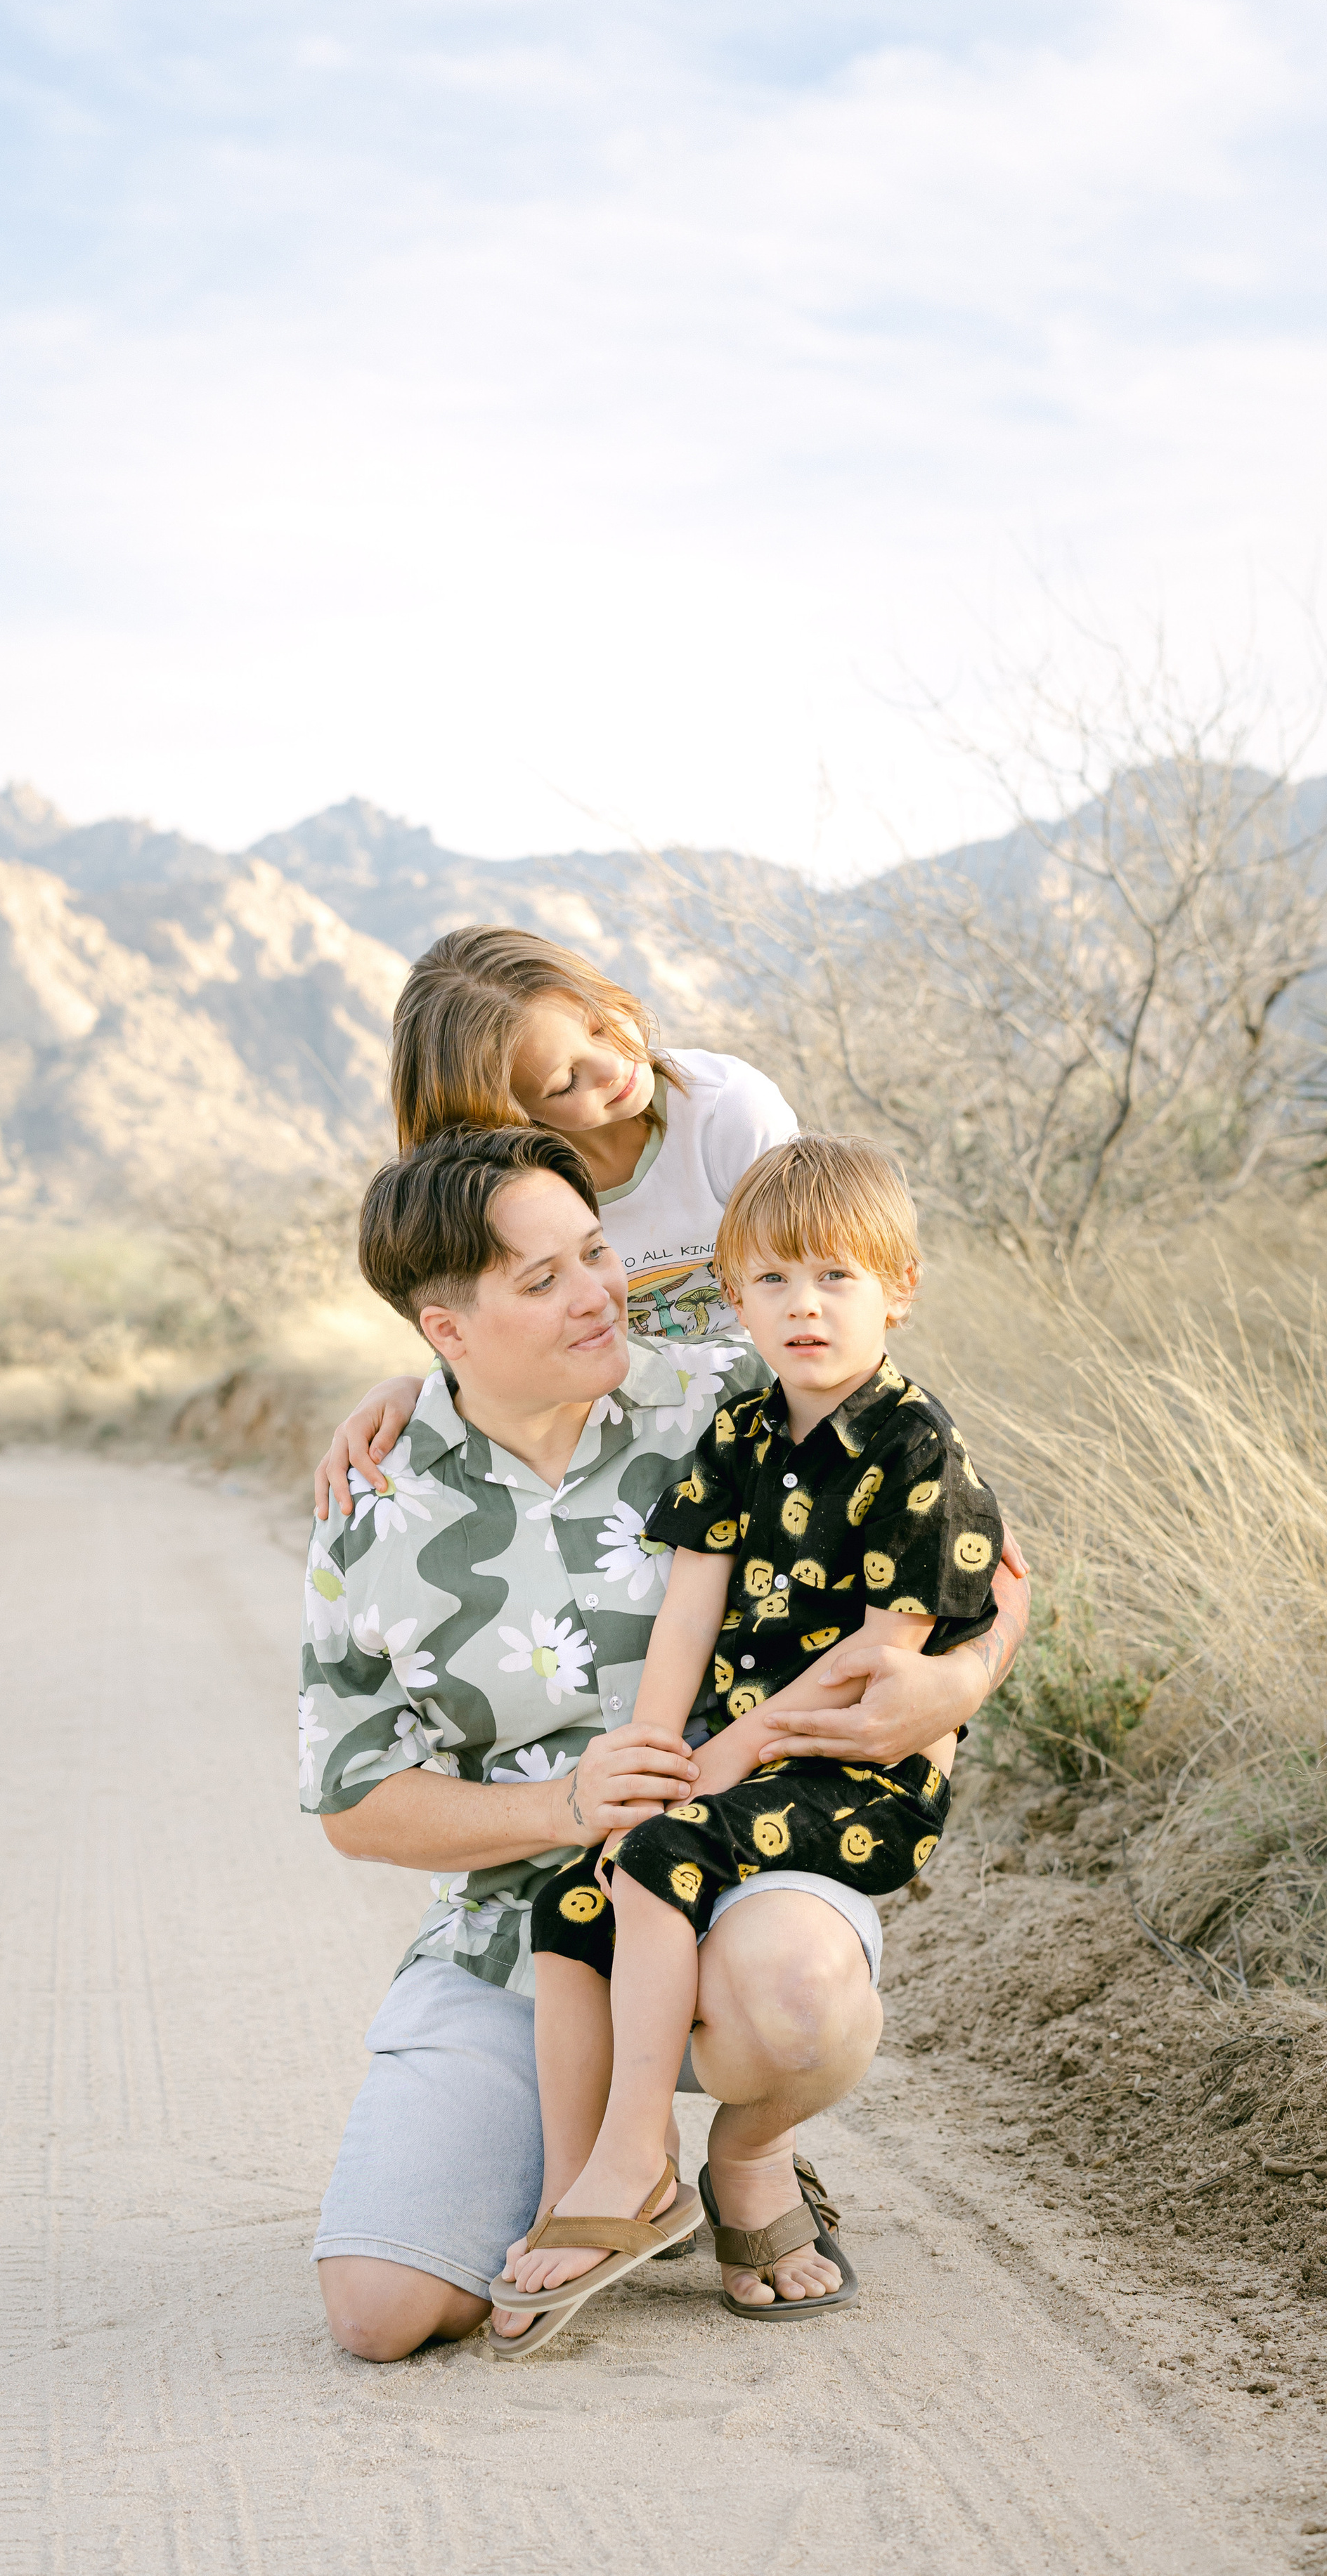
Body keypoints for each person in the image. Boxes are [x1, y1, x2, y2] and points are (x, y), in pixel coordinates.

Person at [300, 1122, 1031, 2360]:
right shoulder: (378, 1511)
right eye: (546, 1281)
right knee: (379, 2317)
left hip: (750, 1876)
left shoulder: (721, 1393)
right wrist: (560, 1811)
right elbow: (356, 1804)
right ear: (446, 1333)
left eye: (595, 1252)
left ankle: (750, 2159)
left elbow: (989, 1558)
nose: (601, 1293)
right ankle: (593, 2182)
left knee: (797, 2000)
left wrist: (955, 1680)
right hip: (517, 1933)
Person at [493, 1136, 1002, 2350]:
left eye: (835, 1278)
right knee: (579, 1897)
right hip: (738, 1767)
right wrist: (649, 1759)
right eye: (771, 1282)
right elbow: (689, 1613)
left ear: (901, 1288)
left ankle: (639, 2158)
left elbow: (887, 1651)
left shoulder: (914, 1445)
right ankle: (584, 2187)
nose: (804, 1307)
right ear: (734, 1301)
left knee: (664, 1857)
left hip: (851, 1774)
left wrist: (742, 1747)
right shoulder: (739, 1433)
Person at [310, 923, 800, 1525]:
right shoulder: (512, 1194)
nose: (613, 1064)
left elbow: (821, 1291)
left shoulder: (728, 1115)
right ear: (507, 1114)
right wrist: (421, 1389)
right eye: (565, 1082)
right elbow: (489, 1331)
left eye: (597, 1025)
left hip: (778, 1422)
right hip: (618, 1457)